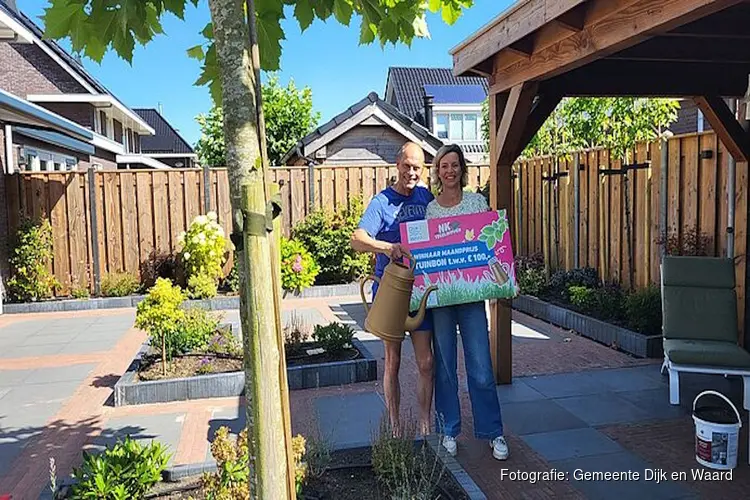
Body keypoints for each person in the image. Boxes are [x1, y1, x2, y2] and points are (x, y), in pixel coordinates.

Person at [426, 144, 509, 461]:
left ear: (462, 169)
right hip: (443, 298)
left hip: (472, 297)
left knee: (481, 368)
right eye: (444, 165)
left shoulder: (477, 202)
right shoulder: (431, 211)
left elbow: (494, 245)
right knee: (445, 367)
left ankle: (493, 431)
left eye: (454, 165)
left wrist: (504, 282)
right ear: (438, 171)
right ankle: (448, 429)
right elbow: (430, 255)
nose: (449, 170)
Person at [351, 142, 435, 436]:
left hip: (420, 290)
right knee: (393, 362)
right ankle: (396, 425)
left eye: (417, 167)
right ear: (397, 165)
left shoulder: (426, 197)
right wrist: (387, 247)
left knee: (426, 362)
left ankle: (425, 425)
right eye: (407, 165)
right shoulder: (381, 203)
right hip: (390, 293)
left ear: (423, 170)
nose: (411, 172)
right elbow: (357, 239)